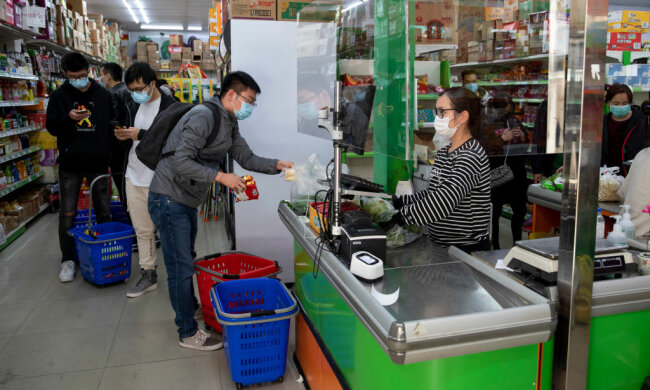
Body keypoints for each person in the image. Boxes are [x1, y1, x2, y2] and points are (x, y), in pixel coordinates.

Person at [148, 71, 293, 350]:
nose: (251, 106)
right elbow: (181, 161)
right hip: (168, 197)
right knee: (180, 267)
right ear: (231, 95)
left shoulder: (229, 122)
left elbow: (246, 157)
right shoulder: (204, 116)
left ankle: (188, 310)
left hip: (186, 199)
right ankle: (187, 332)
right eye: (249, 100)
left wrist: (277, 165)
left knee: (185, 258)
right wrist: (221, 177)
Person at [390, 87, 491, 253]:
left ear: (463, 116)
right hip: (441, 245)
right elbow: (434, 192)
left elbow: (444, 201)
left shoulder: (470, 155)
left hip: (466, 249)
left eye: (442, 112)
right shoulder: (445, 151)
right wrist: (402, 201)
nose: (438, 118)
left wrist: (402, 216)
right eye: (437, 112)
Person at [45, 52, 114, 282]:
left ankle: (106, 253)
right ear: (65, 74)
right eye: (74, 76)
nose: (79, 79)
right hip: (70, 164)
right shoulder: (59, 96)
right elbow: (52, 128)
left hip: (98, 163)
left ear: (89, 72)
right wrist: (68, 118)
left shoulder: (103, 95)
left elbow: (111, 124)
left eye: (83, 75)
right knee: (68, 214)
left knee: (104, 211)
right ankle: (68, 260)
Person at [113, 62, 175, 298]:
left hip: (161, 179)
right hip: (134, 174)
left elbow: (172, 143)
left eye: (140, 88)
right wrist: (121, 136)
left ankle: (178, 278)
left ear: (153, 83)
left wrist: (141, 135)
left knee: (169, 231)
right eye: (132, 89)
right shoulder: (131, 105)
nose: (137, 93)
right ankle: (148, 273)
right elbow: (128, 135)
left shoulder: (171, 107)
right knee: (142, 229)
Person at [484, 92, 528, 249]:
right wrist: (501, 139)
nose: (510, 108)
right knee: (494, 212)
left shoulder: (515, 121)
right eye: (508, 105)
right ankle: (494, 245)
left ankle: (517, 244)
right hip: (496, 173)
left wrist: (522, 136)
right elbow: (483, 147)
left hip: (516, 173)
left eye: (511, 105)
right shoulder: (488, 123)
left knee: (519, 210)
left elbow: (528, 146)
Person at [100, 62, 131, 203]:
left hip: (117, 147)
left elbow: (114, 122)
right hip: (130, 144)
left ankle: (128, 214)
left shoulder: (111, 94)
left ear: (109, 76)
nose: (101, 79)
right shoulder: (129, 90)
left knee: (121, 183)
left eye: (102, 75)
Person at [601, 83, 649, 173]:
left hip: (633, 176)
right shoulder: (601, 123)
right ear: (608, 103)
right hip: (607, 178)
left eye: (624, 103)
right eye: (616, 103)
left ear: (630, 103)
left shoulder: (642, 121)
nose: (620, 106)